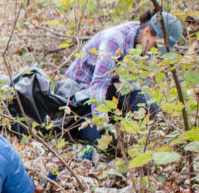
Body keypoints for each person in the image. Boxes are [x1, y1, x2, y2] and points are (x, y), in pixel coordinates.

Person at [63, 10, 183, 144]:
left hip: (113, 89)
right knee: (105, 142)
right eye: (156, 45)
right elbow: (99, 85)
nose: (154, 52)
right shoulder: (115, 40)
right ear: (147, 31)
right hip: (84, 91)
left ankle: (116, 123)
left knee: (152, 109)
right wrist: (103, 127)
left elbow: (141, 86)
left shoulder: (144, 45)